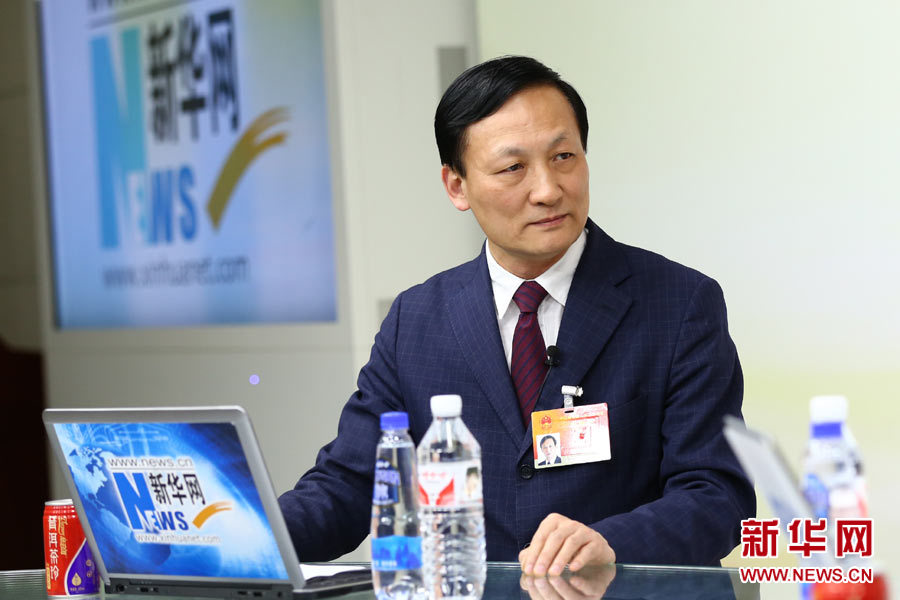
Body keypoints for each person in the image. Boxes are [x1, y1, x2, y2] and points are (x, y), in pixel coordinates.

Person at [278, 55, 755, 575]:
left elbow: (717, 494)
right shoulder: (416, 319)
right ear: (457, 186)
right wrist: (244, 536)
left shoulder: (679, 303)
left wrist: (610, 544)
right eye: (513, 168)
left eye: (564, 156)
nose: (548, 190)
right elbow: (350, 485)